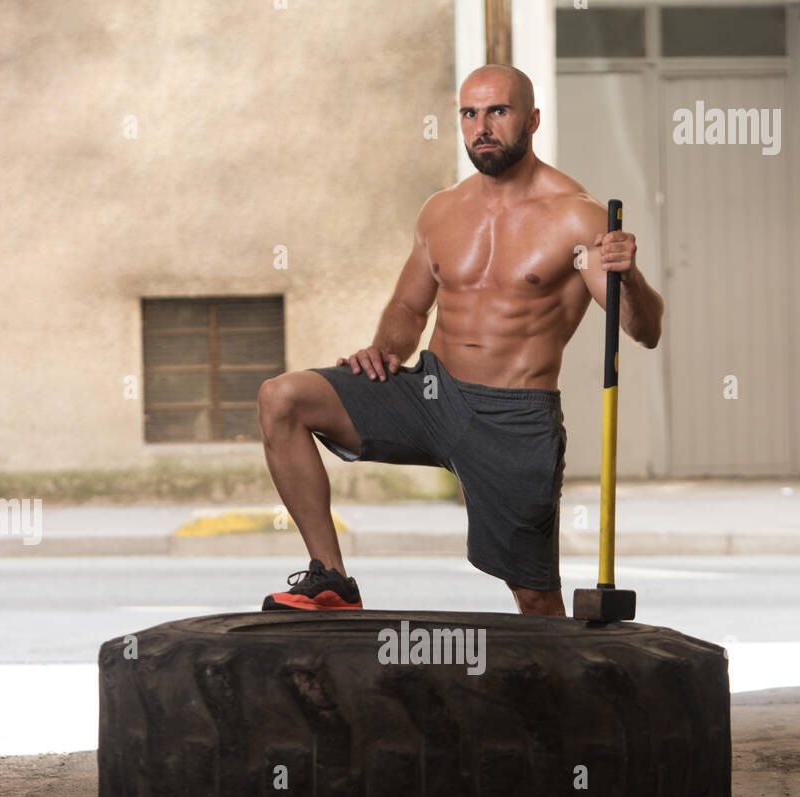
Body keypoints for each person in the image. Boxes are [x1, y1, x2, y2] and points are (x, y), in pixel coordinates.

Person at [257, 64, 663, 616]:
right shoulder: (442, 210)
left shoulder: (576, 219)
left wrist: (629, 276)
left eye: (498, 111)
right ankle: (332, 580)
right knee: (283, 398)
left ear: (533, 119)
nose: (482, 127)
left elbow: (643, 330)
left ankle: (557, 695)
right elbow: (408, 307)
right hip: (429, 392)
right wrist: (385, 350)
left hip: (513, 415)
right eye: (469, 114)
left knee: (535, 599)